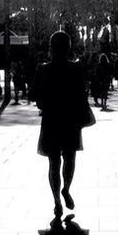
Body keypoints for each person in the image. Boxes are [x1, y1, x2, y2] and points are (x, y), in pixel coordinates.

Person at [35, 30, 91, 217]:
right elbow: (82, 96)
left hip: (51, 120)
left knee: (53, 162)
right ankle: (66, 189)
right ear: (69, 48)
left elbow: (38, 101)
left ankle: (56, 201)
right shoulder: (76, 69)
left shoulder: (43, 69)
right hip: (70, 120)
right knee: (70, 158)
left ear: (51, 47)